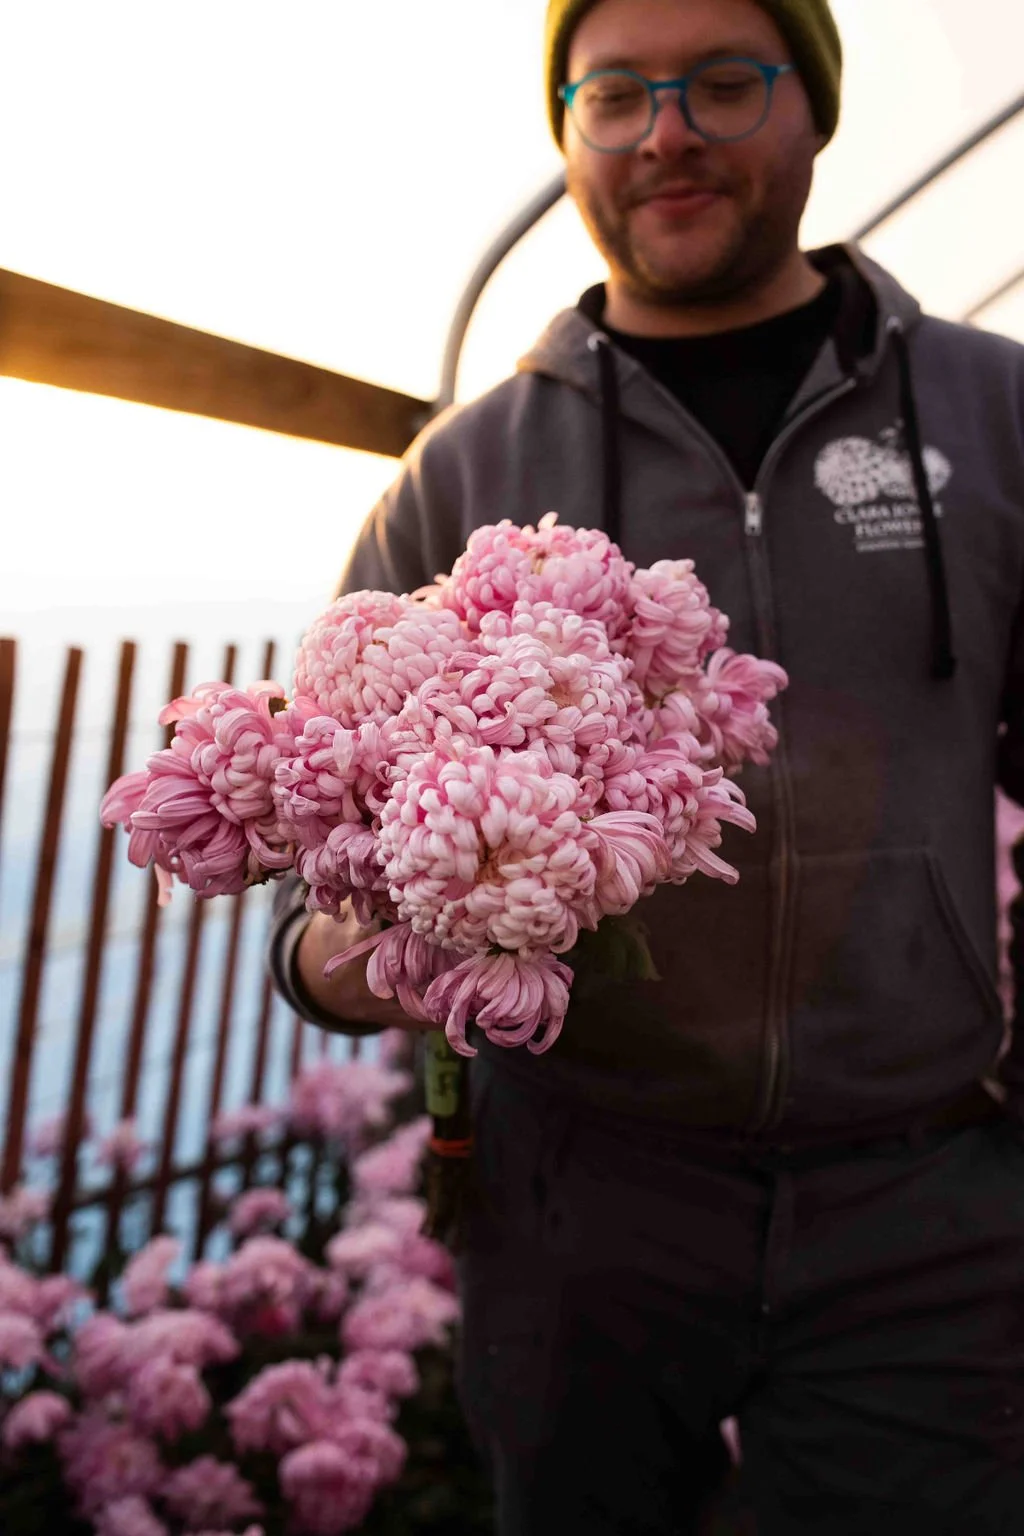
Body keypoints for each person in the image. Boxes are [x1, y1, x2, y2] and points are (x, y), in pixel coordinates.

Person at [269, 0, 1024, 1530]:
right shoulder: (464, 471)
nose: (666, 130)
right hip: (577, 1207)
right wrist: (365, 954)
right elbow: (307, 868)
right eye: (614, 93)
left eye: (727, 82)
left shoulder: (997, 415)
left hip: (931, 1196)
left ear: (814, 110)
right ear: (567, 134)